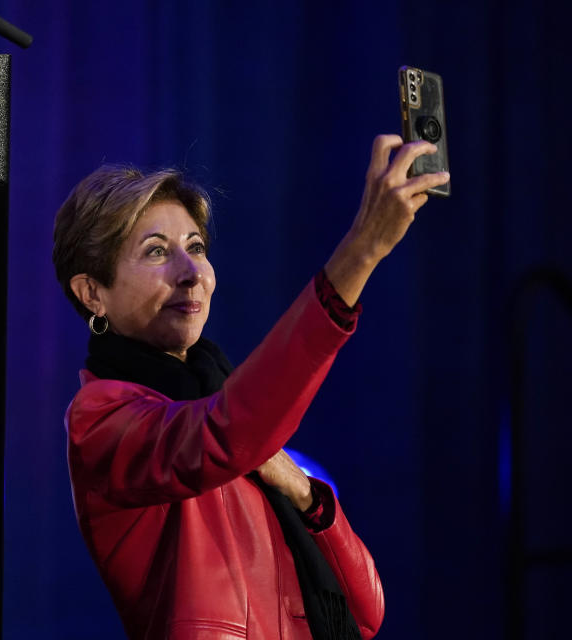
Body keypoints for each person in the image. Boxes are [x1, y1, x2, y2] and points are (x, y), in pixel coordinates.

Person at [51, 135, 450, 640]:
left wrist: (303, 490)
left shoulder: (230, 404)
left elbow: (366, 611)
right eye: (156, 252)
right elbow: (223, 434)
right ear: (93, 294)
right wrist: (361, 252)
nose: (190, 272)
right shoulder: (102, 418)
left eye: (195, 248)